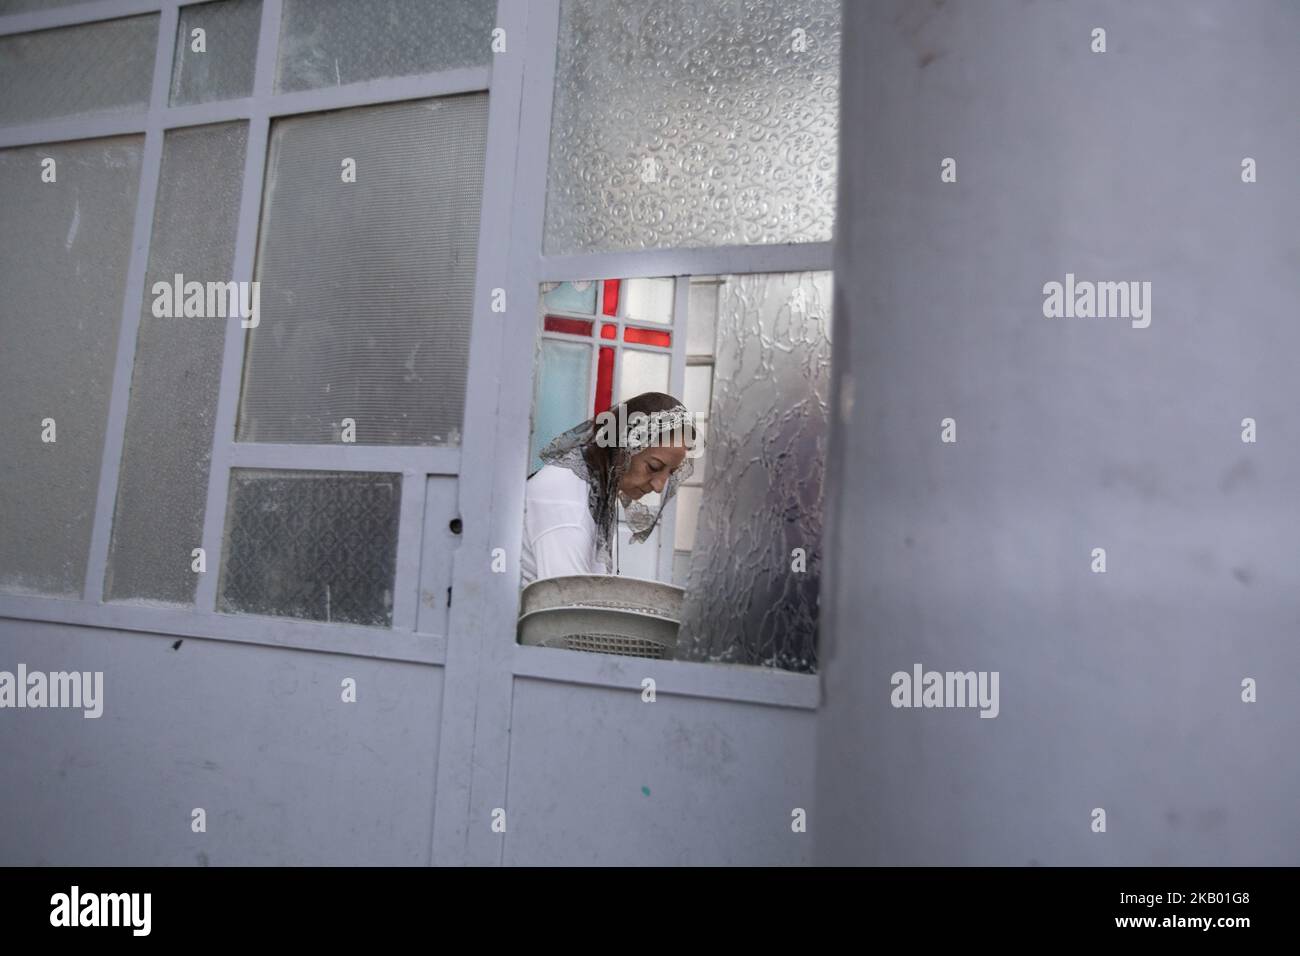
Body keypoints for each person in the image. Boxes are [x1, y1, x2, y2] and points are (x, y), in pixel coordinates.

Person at [520, 392, 700, 586]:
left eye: (671, 473)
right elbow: (568, 608)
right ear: (625, 447)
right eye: (654, 467)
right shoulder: (567, 504)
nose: (659, 486)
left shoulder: (594, 486)